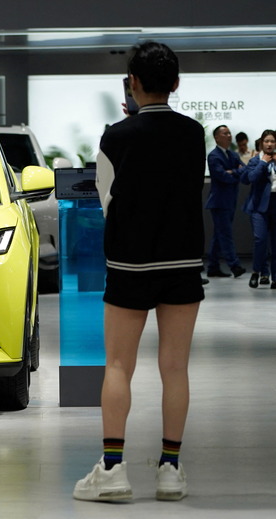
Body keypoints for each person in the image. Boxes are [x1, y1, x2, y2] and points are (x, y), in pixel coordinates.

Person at [74, 41, 205, 503]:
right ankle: (170, 469)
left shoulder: (116, 136)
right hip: (183, 261)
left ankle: (112, 469)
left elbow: (108, 203)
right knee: (175, 368)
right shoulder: (194, 133)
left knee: (118, 365)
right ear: (175, 83)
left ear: (132, 83)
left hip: (130, 262)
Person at [205, 125, 246, 278]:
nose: (229, 135)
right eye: (225, 133)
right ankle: (234, 265)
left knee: (219, 234)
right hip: (219, 201)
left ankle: (213, 266)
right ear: (216, 137)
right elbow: (223, 176)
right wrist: (235, 173)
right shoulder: (214, 155)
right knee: (226, 234)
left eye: (229, 133)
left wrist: (233, 172)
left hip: (230, 200)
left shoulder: (232, 155)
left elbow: (244, 169)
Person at [240, 129, 276, 289]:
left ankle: (274, 277)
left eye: (273, 141)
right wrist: (263, 163)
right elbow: (251, 178)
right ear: (261, 143)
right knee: (260, 240)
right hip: (259, 206)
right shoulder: (256, 160)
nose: (269, 144)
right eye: (267, 141)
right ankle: (258, 272)